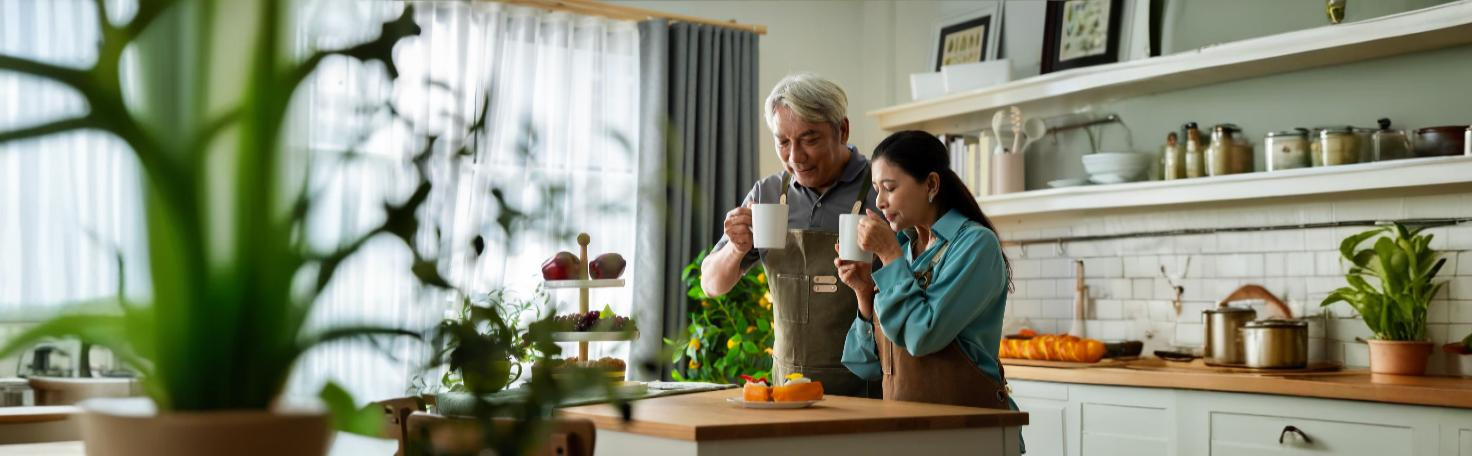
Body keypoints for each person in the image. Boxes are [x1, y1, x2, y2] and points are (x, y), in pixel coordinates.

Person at [701, 73, 881, 397]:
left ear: (842, 130)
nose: (795, 157)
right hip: (787, 392)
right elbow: (711, 285)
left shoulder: (880, 189)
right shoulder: (768, 193)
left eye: (809, 139)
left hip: (868, 389)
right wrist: (736, 249)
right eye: (783, 142)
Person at [837, 130, 1017, 410]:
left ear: (931, 184)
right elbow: (865, 365)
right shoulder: (903, 248)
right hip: (909, 430)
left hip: (970, 428)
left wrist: (889, 256)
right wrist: (864, 295)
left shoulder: (975, 244)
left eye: (890, 187)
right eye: (877, 190)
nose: (880, 201)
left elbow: (922, 338)